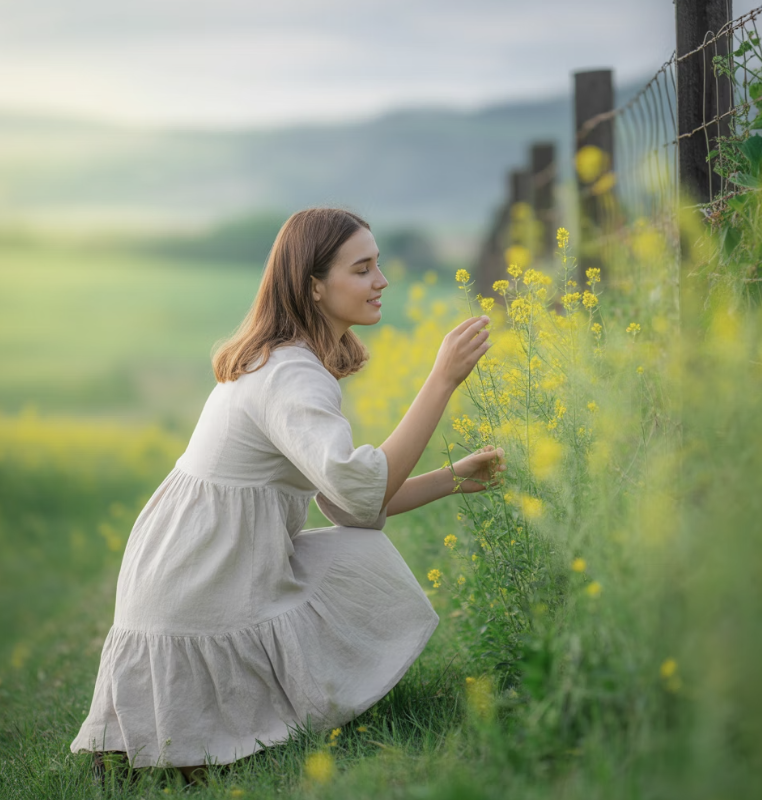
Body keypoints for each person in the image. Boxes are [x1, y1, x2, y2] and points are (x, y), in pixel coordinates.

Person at [70, 207, 505, 781]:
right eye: (363, 268)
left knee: (352, 548)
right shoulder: (291, 374)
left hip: (195, 568)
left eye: (379, 266)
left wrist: (452, 478)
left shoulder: (286, 361)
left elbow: (349, 506)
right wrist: (442, 379)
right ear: (314, 286)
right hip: (199, 579)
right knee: (360, 560)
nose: (381, 281)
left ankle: (181, 739)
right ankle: (194, 739)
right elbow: (360, 489)